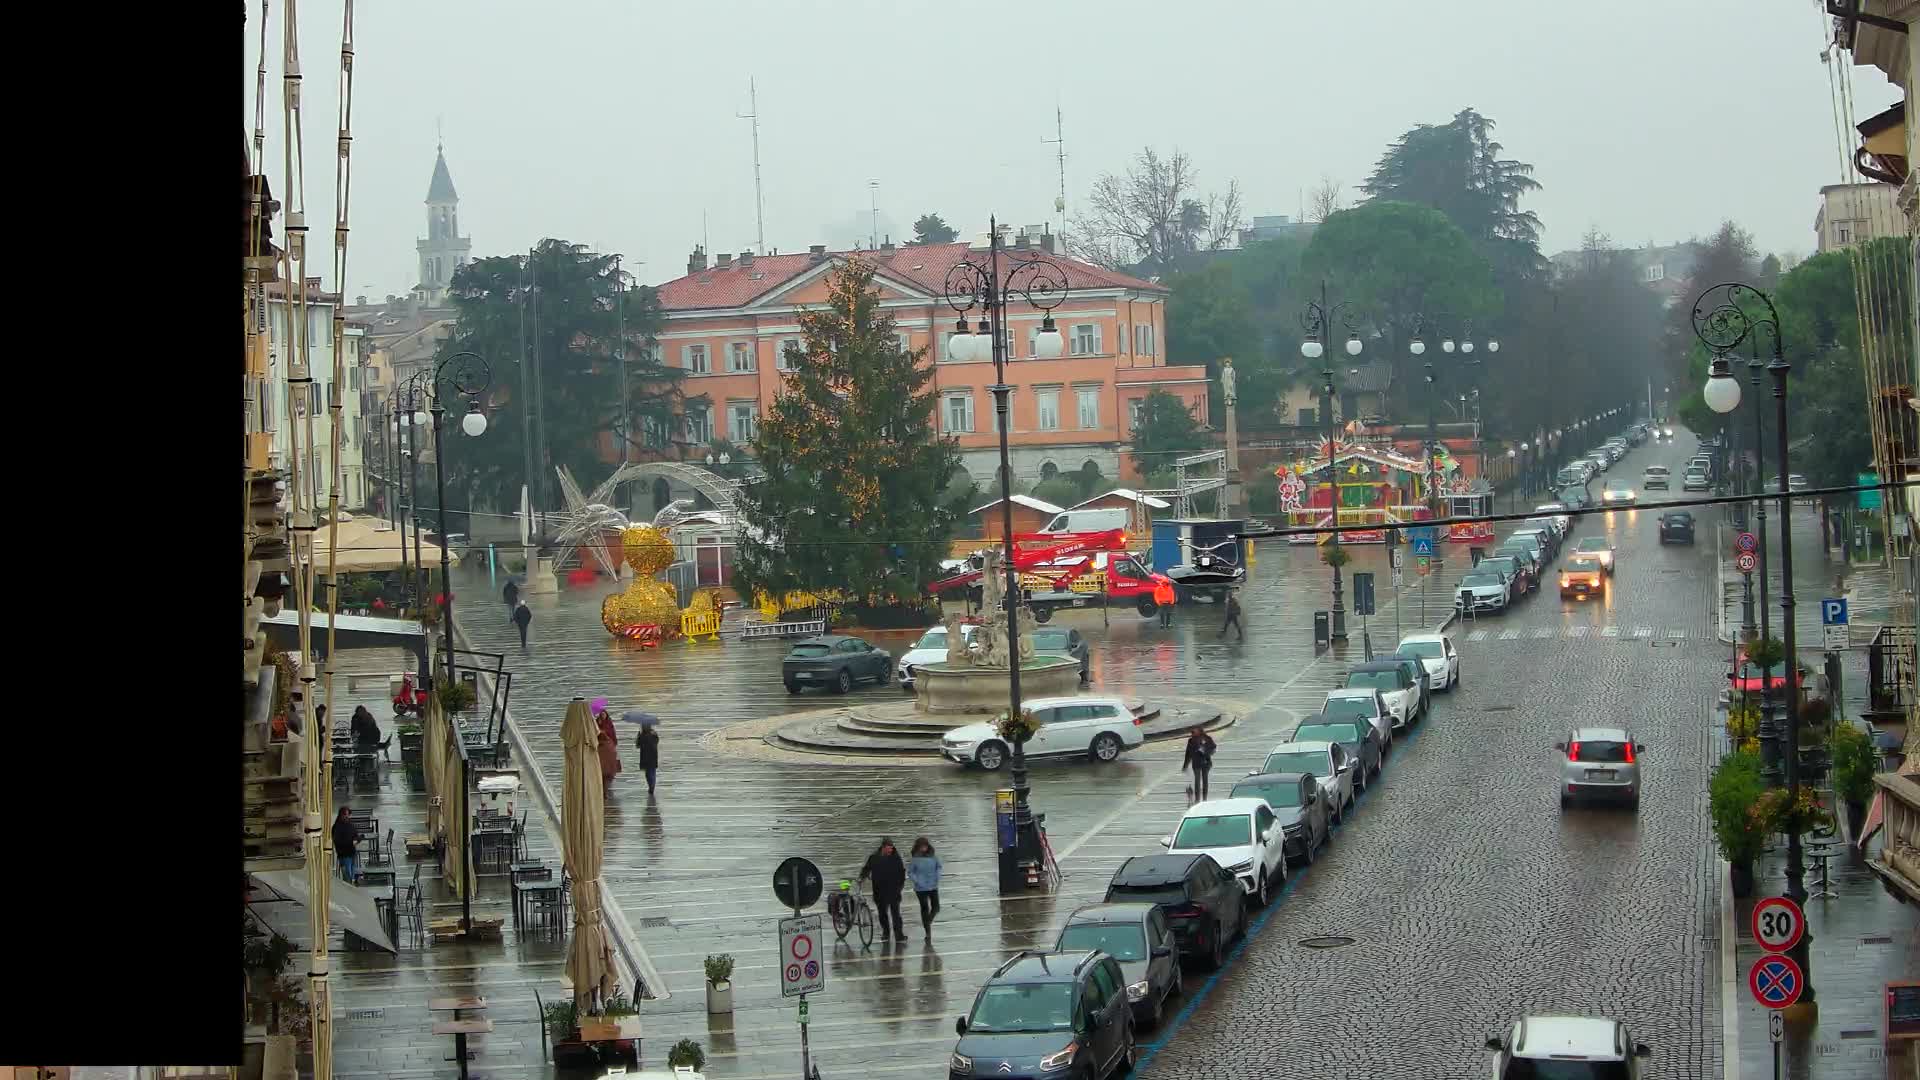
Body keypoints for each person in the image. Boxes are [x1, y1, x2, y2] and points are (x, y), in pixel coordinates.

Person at [858, 837, 908, 942]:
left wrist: (900, 886)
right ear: (883, 847)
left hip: (894, 891)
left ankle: (899, 935)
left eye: (891, 848)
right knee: (882, 913)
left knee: (896, 914)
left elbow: (901, 872)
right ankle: (886, 933)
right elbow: (867, 868)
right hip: (879, 891)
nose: (890, 850)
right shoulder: (874, 858)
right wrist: (862, 877)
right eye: (888, 848)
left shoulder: (896, 858)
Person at [908, 836, 943, 938]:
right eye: (921, 846)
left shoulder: (933, 856)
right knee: (924, 908)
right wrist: (917, 881)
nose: (923, 848)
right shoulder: (915, 859)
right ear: (918, 847)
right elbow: (910, 872)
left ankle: (928, 921)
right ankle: (928, 932)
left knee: (936, 907)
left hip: (933, 886)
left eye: (925, 846)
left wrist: (937, 876)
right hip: (921, 888)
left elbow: (939, 867)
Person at [592, 697, 622, 797]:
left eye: (604, 714)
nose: (603, 716)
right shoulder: (595, 723)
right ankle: (603, 790)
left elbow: (613, 735)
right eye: (602, 714)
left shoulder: (609, 724)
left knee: (607, 770)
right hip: (600, 750)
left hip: (609, 749)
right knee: (602, 770)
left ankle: (604, 789)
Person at [1182, 726, 1216, 803]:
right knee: (1197, 781)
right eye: (1192, 732)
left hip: (1205, 762)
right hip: (1196, 763)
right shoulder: (1191, 741)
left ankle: (1204, 798)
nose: (1192, 733)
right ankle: (1197, 799)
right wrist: (1185, 765)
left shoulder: (1207, 738)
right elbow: (1188, 753)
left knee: (1205, 780)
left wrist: (1205, 750)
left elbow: (1213, 747)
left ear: (1199, 731)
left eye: (1194, 731)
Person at [331, 806, 359, 884]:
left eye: (348, 814)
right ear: (341, 815)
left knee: (352, 876)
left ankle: (353, 887)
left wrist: (357, 840)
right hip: (344, 855)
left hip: (352, 853)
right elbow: (337, 841)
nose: (347, 816)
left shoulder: (351, 825)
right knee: (347, 876)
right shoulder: (336, 827)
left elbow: (356, 834)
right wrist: (351, 842)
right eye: (345, 814)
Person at [635, 723, 660, 796]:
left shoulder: (642, 735)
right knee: (652, 772)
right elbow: (657, 741)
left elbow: (638, 745)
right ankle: (652, 787)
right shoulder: (653, 733)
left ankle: (651, 787)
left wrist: (638, 736)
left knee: (648, 773)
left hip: (645, 756)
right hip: (653, 756)